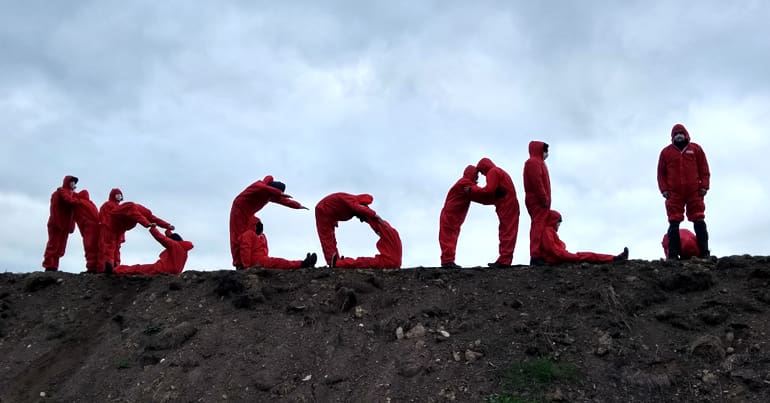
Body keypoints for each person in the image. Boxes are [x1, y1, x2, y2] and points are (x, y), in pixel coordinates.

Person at [657, 123, 711, 260]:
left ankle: (705, 253)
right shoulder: (666, 152)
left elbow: (704, 168)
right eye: (676, 134)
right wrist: (664, 190)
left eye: (681, 133)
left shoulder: (696, 149)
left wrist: (704, 186)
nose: (679, 136)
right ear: (672, 137)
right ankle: (673, 255)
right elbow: (661, 174)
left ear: (686, 134)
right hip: (674, 193)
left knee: (699, 219)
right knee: (674, 222)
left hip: (694, 191)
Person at [229, 176, 308, 269]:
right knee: (238, 236)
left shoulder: (269, 195)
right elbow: (261, 187)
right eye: (274, 193)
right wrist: (278, 192)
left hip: (249, 213)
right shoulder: (259, 186)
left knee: (251, 233)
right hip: (239, 209)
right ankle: (240, 264)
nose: (274, 197)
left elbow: (283, 201)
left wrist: (297, 205)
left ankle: (249, 260)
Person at [469, 158, 520, 268]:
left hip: (507, 206)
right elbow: (494, 194)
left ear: (484, 167)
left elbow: (489, 191)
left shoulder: (493, 172)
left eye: (481, 172)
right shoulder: (498, 171)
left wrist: (473, 190)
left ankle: (504, 260)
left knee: (506, 232)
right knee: (508, 232)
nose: (482, 175)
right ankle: (504, 259)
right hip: (508, 205)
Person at [438, 165, 490, 268]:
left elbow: (479, 196)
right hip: (450, 215)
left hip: (453, 216)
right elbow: (480, 195)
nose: (477, 177)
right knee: (448, 238)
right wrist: (495, 195)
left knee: (450, 238)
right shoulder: (464, 183)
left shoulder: (465, 183)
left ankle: (448, 261)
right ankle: (447, 262)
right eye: (476, 175)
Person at [101, 201, 174, 273]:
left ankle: (115, 266)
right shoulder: (130, 207)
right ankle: (109, 264)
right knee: (110, 245)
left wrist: (167, 225)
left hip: (120, 228)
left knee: (117, 246)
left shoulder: (143, 212)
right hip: (111, 225)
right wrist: (147, 224)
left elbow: (153, 218)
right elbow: (137, 216)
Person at [539, 210, 628, 265]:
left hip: (559, 257)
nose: (559, 225)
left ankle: (614, 258)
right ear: (553, 220)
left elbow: (554, 248)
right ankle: (615, 259)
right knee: (587, 256)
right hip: (557, 259)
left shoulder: (550, 231)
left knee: (587, 255)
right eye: (558, 222)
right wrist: (567, 255)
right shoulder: (548, 231)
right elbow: (553, 249)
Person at [315, 192, 380, 266]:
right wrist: (374, 214)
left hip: (329, 214)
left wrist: (377, 230)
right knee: (327, 238)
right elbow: (361, 210)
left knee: (332, 239)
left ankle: (337, 260)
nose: (361, 220)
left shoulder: (354, 208)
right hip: (323, 210)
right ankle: (331, 261)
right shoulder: (352, 200)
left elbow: (366, 216)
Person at [238, 216, 317, 269]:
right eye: (258, 224)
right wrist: (247, 267)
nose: (261, 226)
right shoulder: (248, 234)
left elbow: (264, 250)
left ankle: (304, 263)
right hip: (256, 261)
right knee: (278, 262)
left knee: (278, 262)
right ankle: (303, 264)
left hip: (262, 259)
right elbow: (245, 250)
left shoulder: (262, 236)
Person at [114, 225, 193, 275]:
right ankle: (117, 268)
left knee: (138, 268)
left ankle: (116, 269)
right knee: (139, 268)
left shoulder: (174, 245)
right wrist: (168, 230)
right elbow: (170, 238)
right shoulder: (184, 250)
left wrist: (153, 228)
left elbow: (161, 238)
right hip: (174, 272)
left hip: (162, 269)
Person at [523, 141, 551, 266]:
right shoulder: (533, 162)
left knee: (539, 226)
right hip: (538, 201)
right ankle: (535, 255)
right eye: (545, 150)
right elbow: (537, 181)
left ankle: (539, 254)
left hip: (540, 201)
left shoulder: (538, 162)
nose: (547, 154)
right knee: (537, 226)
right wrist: (543, 198)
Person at [42, 175, 78, 271]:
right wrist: (56, 222)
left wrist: (71, 225)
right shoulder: (58, 194)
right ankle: (48, 266)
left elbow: (73, 212)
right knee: (53, 245)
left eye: (74, 182)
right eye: (72, 182)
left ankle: (54, 266)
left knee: (60, 247)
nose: (73, 184)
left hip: (65, 226)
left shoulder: (72, 196)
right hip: (57, 224)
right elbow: (54, 208)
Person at [334, 218, 402, 269]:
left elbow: (377, 223)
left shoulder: (388, 231)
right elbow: (377, 223)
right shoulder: (392, 232)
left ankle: (339, 263)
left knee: (362, 262)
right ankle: (342, 262)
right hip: (393, 261)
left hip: (389, 261)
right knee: (363, 261)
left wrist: (365, 215)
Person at [72, 190, 101, 272]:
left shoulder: (79, 202)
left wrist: (63, 190)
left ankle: (91, 267)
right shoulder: (91, 203)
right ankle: (97, 266)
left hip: (88, 227)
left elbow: (71, 199)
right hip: (96, 226)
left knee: (89, 246)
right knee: (95, 246)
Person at [98, 188, 124, 272]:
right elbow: (102, 217)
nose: (119, 196)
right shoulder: (108, 205)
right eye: (117, 194)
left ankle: (114, 265)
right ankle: (110, 265)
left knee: (115, 248)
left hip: (116, 231)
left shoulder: (110, 206)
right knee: (110, 247)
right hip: (110, 230)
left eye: (120, 195)